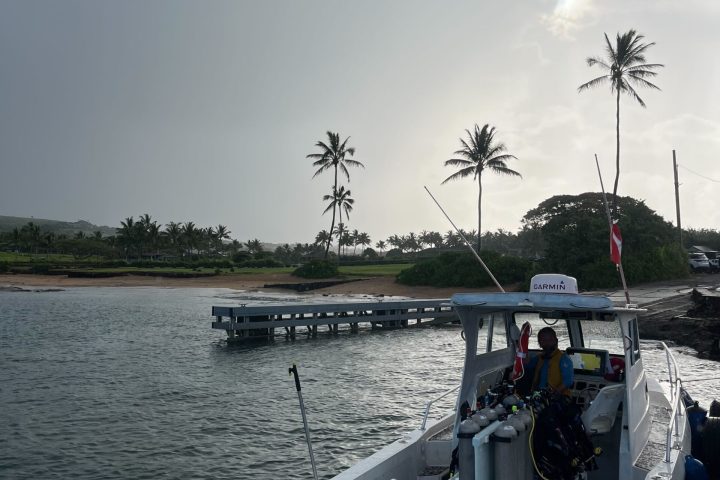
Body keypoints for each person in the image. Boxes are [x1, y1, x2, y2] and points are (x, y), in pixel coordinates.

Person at [526, 327, 574, 395]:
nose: (547, 343)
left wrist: (554, 393)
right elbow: (527, 366)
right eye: (543, 340)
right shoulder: (539, 357)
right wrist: (523, 342)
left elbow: (568, 381)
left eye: (550, 340)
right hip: (538, 395)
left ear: (556, 341)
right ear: (539, 343)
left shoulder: (564, 358)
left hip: (558, 397)